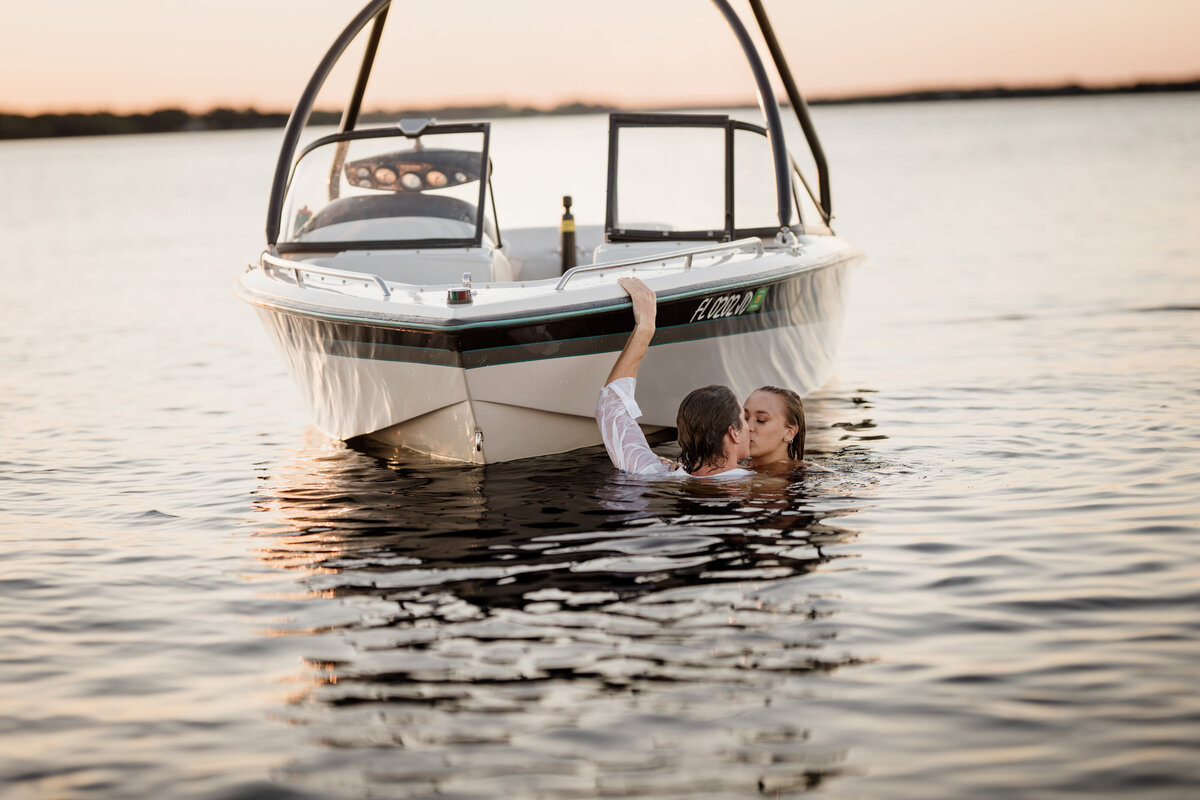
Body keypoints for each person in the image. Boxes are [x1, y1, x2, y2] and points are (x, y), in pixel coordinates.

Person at [596, 277, 753, 479]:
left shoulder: (654, 471)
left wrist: (645, 327)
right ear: (734, 433)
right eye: (745, 419)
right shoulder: (762, 484)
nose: (751, 427)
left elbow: (610, 406)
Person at [743, 386, 806, 469]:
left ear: (789, 433)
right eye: (745, 418)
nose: (747, 427)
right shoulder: (732, 467)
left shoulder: (813, 476)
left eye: (761, 420)